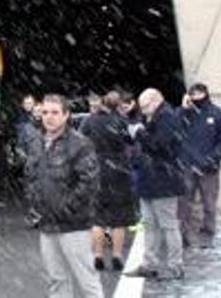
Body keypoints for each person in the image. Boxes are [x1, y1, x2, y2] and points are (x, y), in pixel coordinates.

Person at [25, 94, 103, 298]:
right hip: (47, 224)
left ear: (66, 115)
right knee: (57, 281)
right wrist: (36, 206)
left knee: (87, 281)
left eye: (54, 112)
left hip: (74, 225)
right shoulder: (37, 143)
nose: (49, 117)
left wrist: (65, 209)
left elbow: (89, 183)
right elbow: (31, 178)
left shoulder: (80, 144)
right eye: (45, 112)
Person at [125, 88, 185, 280]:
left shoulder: (167, 117)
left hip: (164, 179)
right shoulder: (153, 117)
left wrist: (141, 133)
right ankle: (149, 264)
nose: (142, 110)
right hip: (151, 178)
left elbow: (161, 146)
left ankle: (176, 267)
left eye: (145, 106)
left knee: (168, 225)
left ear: (156, 101)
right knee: (150, 225)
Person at [78, 92, 137, 271]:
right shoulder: (120, 121)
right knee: (119, 219)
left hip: (96, 170)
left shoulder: (89, 121)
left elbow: (80, 142)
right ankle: (117, 256)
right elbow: (130, 140)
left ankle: (98, 255)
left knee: (98, 218)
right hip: (119, 170)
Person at [176, 83, 221, 249]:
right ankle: (183, 236)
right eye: (193, 93)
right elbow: (173, 129)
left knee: (209, 204)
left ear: (205, 93)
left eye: (199, 93)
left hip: (209, 168)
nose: (196, 96)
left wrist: (211, 159)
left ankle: (207, 236)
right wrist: (183, 109)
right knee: (184, 204)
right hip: (187, 166)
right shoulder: (184, 113)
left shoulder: (216, 113)